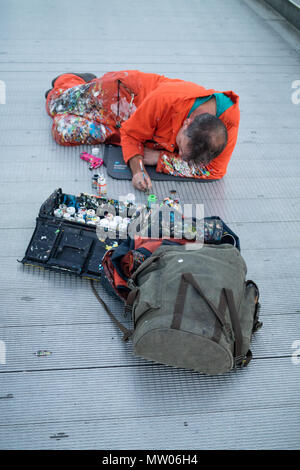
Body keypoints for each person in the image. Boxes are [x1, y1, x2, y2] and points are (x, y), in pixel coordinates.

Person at [45, 70, 240, 191]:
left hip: (128, 131)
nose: (178, 155)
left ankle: (82, 93)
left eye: (182, 155)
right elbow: (131, 135)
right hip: (122, 98)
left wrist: (159, 158)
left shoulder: (227, 122)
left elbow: (214, 171)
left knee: (62, 131)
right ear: (187, 122)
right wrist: (137, 169)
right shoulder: (167, 98)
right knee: (55, 104)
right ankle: (73, 81)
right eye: (179, 147)